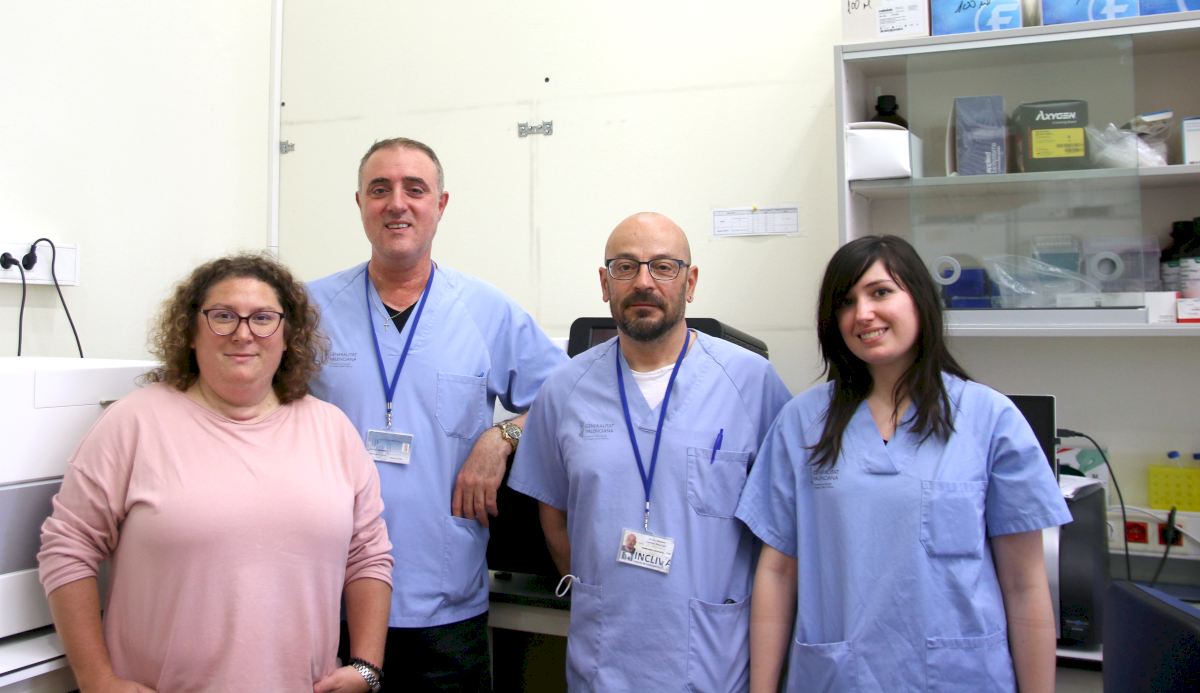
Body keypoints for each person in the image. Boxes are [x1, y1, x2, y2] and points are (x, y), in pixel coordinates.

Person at [38, 253, 393, 692]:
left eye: (263, 318)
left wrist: (367, 667)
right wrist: (96, 679)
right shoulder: (134, 423)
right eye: (223, 316)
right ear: (191, 331)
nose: (243, 333)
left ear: (288, 336)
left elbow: (368, 555)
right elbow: (67, 548)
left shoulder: (331, 428)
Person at [736, 235, 1071, 692]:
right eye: (846, 302)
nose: (863, 314)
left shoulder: (990, 419)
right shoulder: (802, 422)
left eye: (880, 292)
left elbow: (1025, 585)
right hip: (839, 678)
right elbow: (777, 574)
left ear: (920, 299)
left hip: (961, 678)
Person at [308, 137, 567, 690]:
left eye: (415, 189)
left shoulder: (485, 310)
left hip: (444, 604)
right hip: (326, 601)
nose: (397, 204)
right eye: (380, 189)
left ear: (441, 204)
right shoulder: (309, 310)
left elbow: (570, 396)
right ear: (360, 203)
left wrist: (502, 435)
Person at [508, 212, 792, 691]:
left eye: (663, 266)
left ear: (690, 282)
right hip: (602, 663)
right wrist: (596, 589)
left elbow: (781, 534)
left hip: (714, 664)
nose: (643, 281)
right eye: (625, 267)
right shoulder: (564, 389)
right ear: (605, 284)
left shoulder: (751, 383)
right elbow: (552, 510)